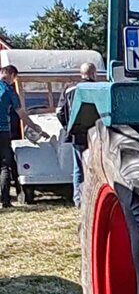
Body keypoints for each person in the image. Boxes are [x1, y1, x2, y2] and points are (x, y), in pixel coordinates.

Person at [0, 64, 45, 208]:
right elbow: (21, 114)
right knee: (4, 166)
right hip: (3, 130)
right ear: (12, 75)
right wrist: (36, 128)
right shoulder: (10, 92)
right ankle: (5, 200)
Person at [56, 60, 97, 206]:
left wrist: (68, 126)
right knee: (94, 166)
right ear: (94, 73)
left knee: (78, 167)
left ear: (81, 73)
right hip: (95, 133)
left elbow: (59, 112)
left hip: (76, 133)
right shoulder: (97, 88)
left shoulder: (69, 89)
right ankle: (92, 198)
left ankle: (78, 199)